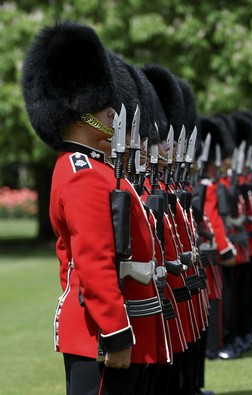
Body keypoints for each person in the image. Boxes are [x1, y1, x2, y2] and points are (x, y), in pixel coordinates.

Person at [21, 22, 170, 394]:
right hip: (98, 331)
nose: (110, 111)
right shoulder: (82, 173)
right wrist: (116, 331)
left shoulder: (97, 170)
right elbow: (94, 258)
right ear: (77, 108)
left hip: (109, 320)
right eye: (100, 105)